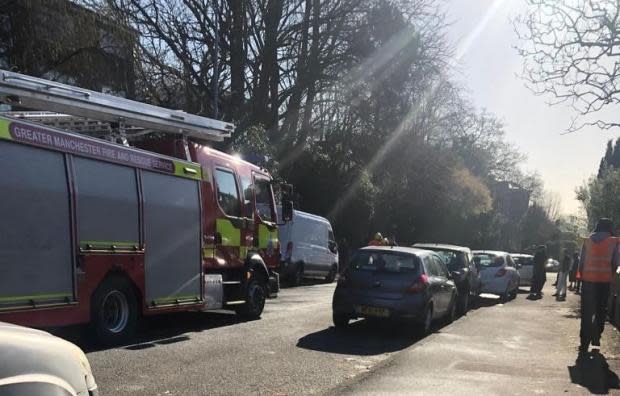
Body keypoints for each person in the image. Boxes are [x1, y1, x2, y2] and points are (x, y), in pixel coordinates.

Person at [577, 218, 618, 352]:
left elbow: (581, 262)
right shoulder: (613, 242)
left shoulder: (587, 241)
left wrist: (580, 277)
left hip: (588, 281)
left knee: (587, 313)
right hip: (604, 283)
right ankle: (596, 336)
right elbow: (617, 263)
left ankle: (584, 342)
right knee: (601, 311)